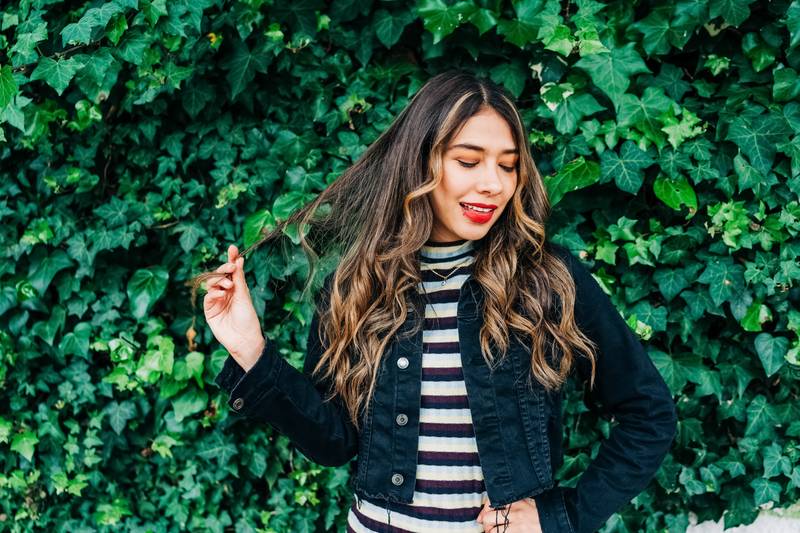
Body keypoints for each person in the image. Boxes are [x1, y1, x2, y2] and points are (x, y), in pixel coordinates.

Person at [193, 70, 678, 533]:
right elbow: (333, 440)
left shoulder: (547, 280)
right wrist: (250, 350)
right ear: (420, 162)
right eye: (469, 161)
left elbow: (649, 412)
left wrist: (563, 518)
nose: (494, 183)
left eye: (508, 165)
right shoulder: (356, 285)